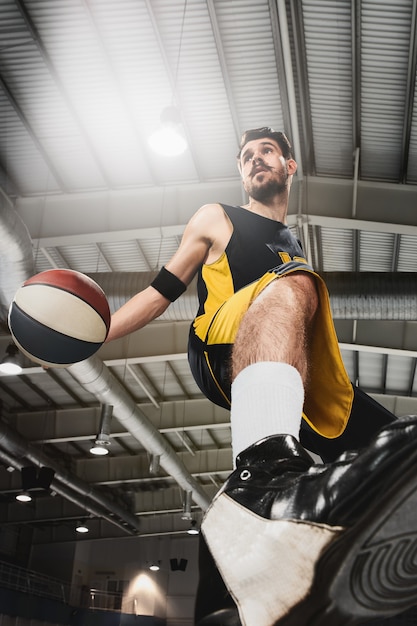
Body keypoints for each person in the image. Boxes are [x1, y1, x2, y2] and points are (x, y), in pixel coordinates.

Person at [106, 127, 417, 625]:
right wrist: (101, 331)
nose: (256, 160)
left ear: (290, 165)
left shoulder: (292, 242)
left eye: (266, 151)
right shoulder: (217, 217)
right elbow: (161, 290)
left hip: (290, 366)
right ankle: (258, 479)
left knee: (394, 450)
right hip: (220, 342)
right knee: (298, 283)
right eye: (247, 156)